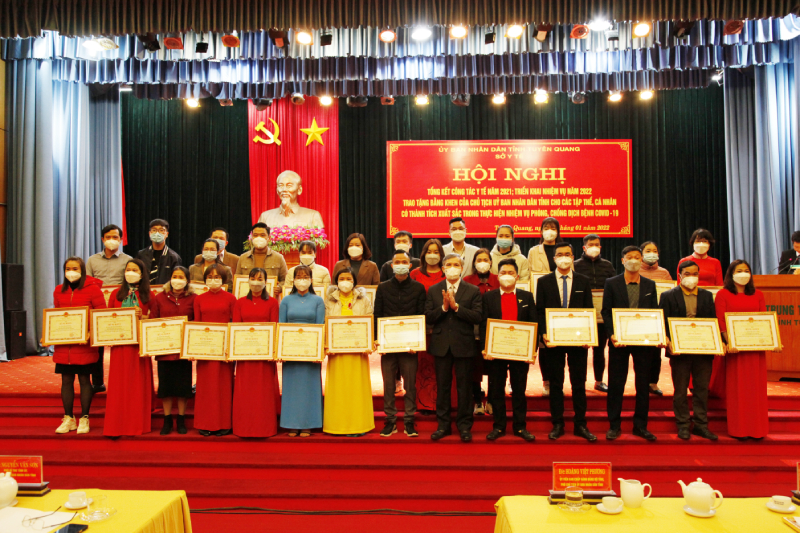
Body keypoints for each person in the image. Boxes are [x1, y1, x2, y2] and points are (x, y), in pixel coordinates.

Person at [601, 246, 664, 441]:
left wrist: (656, 334)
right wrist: (612, 334)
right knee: (616, 383)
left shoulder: (649, 285)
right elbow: (606, 312)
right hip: (619, 341)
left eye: (638, 257)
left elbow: (654, 312)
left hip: (643, 341)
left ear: (642, 260)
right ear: (623, 261)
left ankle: (640, 426)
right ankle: (614, 425)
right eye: (630, 257)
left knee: (643, 384)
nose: (634, 260)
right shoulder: (612, 283)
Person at [714, 260, 782, 440]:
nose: (743, 274)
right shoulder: (723, 294)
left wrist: (773, 340)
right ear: (731, 274)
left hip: (756, 351)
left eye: (746, 270)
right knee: (739, 391)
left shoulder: (758, 294)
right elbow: (721, 322)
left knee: (756, 391)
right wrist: (730, 341)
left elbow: (764, 320)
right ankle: (740, 429)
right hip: (736, 351)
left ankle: (757, 429)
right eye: (739, 271)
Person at [536, 244, 597, 442]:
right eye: (560, 255)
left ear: (572, 257)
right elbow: (540, 311)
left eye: (567, 254)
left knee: (579, 383)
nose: (564, 258)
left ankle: (580, 424)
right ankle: (558, 424)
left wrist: (589, 335)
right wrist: (543, 334)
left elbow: (588, 309)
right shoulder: (543, 281)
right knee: (556, 383)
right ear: (554, 258)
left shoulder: (583, 280)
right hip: (553, 341)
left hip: (578, 340)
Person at [425, 254, 483, 442]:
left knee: (464, 388)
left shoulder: (472, 290)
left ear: (462, 268)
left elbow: (477, 317)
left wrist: (456, 307)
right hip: (441, 345)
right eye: (448, 264)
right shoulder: (434, 290)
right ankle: (443, 426)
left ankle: (464, 426)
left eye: (456, 264)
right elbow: (428, 317)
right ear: (443, 268)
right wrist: (443, 308)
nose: (452, 267)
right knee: (442, 387)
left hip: (464, 345)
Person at [660, 261, 718, 441]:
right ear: (680, 275)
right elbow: (663, 322)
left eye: (695, 274)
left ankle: (701, 425)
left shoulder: (707, 296)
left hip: (703, 351)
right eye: (687, 274)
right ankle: (683, 424)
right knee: (680, 391)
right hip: (679, 352)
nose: (691, 277)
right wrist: (668, 341)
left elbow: (712, 322)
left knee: (701, 390)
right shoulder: (668, 296)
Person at [481, 258, 536, 441]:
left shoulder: (527, 297)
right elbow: (483, 324)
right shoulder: (488, 297)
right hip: (496, 352)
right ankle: (499, 426)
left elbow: (533, 323)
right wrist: (485, 348)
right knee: (496, 390)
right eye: (503, 273)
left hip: (520, 352)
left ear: (517, 276)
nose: (507, 276)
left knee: (519, 390)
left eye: (511, 273)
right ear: (498, 276)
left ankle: (520, 427)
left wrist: (532, 350)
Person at [373, 250, 427, 437]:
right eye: (397, 262)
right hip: (388, 345)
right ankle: (390, 421)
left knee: (410, 384)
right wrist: (378, 339)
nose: (401, 265)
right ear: (391, 265)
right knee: (389, 384)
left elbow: (422, 315)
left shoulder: (418, 288)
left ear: (410, 265)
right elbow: (377, 314)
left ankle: (409, 420)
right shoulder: (383, 288)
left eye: (404, 262)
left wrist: (417, 342)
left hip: (410, 346)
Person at [50, 257, 106, 435]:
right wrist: (51, 332)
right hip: (64, 346)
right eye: (68, 268)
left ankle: (84, 418)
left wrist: (89, 333)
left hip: (85, 345)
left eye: (75, 268)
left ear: (82, 270)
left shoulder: (93, 289)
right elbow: (57, 315)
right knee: (66, 380)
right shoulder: (59, 290)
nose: (71, 272)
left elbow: (101, 316)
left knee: (84, 380)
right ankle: (68, 418)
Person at [103, 259, 155, 437]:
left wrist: (144, 317)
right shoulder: (116, 294)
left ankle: (137, 421)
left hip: (138, 347)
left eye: (135, 270)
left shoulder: (148, 295)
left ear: (142, 274)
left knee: (136, 383)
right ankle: (117, 422)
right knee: (119, 383)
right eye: (128, 269)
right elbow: (107, 318)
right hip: (120, 346)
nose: (130, 272)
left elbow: (156, 320)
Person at [323, 268, 375, 436]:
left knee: (357, 389)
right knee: (338, 389)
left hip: (358, 353)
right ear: (336, 281)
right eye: (342, 278)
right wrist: (326, 343)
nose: (345, 281)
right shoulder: (328, 301)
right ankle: (336, 425)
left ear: (354, 281)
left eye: (348, 278)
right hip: (337, 353)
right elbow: (324, 324)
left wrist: (369, 341)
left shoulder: (364, 300)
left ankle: (359, 425)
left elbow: (369, 321)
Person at [232, 268, 281, 438]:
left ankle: (264, 428)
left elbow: (275, 327)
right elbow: (236, 327)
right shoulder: (240, 303)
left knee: (263, 393)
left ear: (266, 282)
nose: (256, 281)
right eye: (253, 278)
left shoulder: (272, 303)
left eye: (260, 279)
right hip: (245, 356)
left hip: (264, 357)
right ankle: (243, 427)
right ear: (248, 280)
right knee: (245, 392)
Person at [279, 265, 326, 436]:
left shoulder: (318, 301)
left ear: (311, 280)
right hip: (291, 352)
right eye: (298, 277)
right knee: (292, 389)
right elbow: (281, 326)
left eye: (305, 277)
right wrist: (281, 350)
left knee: (309, 388)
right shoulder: (286, 300)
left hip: (310, 353)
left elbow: (320, 325)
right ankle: (292, 423)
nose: (302, 280)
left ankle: (308, 423)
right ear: (293, 280)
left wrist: (318, 351)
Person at [149, 266, 196, 435]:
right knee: (166, 388)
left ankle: (181, 419)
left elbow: (197, 322)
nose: (177, 280)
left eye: (181, 277)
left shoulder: (194, 299)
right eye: (175, 276)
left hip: (184, 353)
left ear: (187, 280)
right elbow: (153, 321)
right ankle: (167, 419)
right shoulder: (159, 298)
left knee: (183, 388)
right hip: (165, 353)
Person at [85, 223, 131, 393]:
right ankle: (98, 382)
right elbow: (87, 283)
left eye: (115, 237)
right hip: (98, 307)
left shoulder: (128, 260)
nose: (112, 240)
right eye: (108, 237)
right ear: (102, 239)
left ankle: (123, 381)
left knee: (122, 347)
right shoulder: (92, 260)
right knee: (96, 347)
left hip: (120, 307)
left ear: (121, 239)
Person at [193, 263, 237, 436]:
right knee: (206, 388)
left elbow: (235, 324)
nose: (213, 280)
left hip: (224, 349)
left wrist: (231, 348)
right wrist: (193, 348)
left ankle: (224, 423)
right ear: (205, 280)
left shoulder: (231, 299)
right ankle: (205, 423)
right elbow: (196, 324)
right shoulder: (199, 299)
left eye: (217, 277)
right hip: (205, 349)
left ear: (223, 279)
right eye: (210, 277)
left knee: (224, 387)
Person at [573, 234, 616, 394]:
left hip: (601, 315)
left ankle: (599, 381)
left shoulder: (607, 265)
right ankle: (580, 382)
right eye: (591, 244)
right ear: (584, 247)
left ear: (600, 247)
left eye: (597, 244)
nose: (594, 247)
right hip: (582, 315)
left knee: (599, 350)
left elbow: (614, 287)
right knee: (580, 351)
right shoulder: (575, 265)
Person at [410, 239, 447, 414]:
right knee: (424, 367)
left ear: (441, 255)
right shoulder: (415, 274)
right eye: (429, 252)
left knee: (443, 368)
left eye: (436, 252)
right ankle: (425, 404)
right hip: (422, 329)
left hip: (444, 327)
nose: (432, 255)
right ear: (423, 254)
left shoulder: (447, 273)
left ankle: (444, 403)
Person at [463, 248, 499, 415]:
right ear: (474, 263)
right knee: (475, 369)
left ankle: (492, 400)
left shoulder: (498, 279)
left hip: (495, 333)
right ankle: (477, 400)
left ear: (491, 262)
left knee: (494, 369)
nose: (482, 263)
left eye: (485, 260)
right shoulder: (467, 280)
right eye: (479, 260)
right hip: (474, 333)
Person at [638, 240, 672, 396]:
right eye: (648, 250)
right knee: (641, 354)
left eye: (654, 251)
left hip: (659, 317)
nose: (652, 253)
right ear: (641, 253)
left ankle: (653, 382)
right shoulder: (635, 270)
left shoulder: (664, 273)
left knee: (655, 353)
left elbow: (671, 294)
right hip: (640, 317)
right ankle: (641, 382)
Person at [258, 170, 325, 229]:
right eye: (281, 186)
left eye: (289, 186)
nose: (284, 190)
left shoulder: (313, 216)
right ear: (277, 190)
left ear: (299, 190)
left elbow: (318, 238)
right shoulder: (265, 217)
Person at [235, 223, 287, 297]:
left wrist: (279, 288)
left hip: (270, 298)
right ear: (252, 238)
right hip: (248, 297)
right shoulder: (243, 258)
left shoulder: (278, 258)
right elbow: (238, 279)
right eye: (255, 235)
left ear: (269, 238)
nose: (259, 238)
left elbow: (285, 280)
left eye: (262, 235)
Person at [136, 218, 182, 285]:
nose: (157, 233)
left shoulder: (174, 257)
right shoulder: (141, 255)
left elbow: (177, 279)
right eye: (154, 230)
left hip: (164, 290)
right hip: (145, 290)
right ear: (149, 233)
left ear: (167, 234)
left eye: (161, 230)